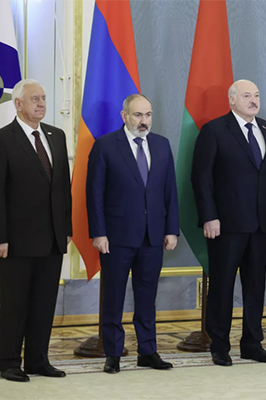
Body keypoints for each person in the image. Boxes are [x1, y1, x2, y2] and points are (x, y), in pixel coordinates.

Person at [191, 79, 266, 367]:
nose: (253, 100)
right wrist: (209, 216)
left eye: (256, 95)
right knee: (222, 287)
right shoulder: (214, 130)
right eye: (247, 96)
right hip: (226, 225)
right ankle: (219, 345)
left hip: (260, 223)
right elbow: (201, 178)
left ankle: (252, 344)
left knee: (255, 287)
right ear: (232, 100)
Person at [0, 79, 72, 382]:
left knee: (44, 304)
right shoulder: (1, 140)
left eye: (43, 98)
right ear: (18, 104)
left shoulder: (56, 136)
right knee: (15, 304)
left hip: (52, 238)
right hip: (16, 241)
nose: (41, 103)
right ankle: (8, 362)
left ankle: (37, 360)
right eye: (35, 99)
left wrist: (66, 228)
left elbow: (63, 188)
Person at [86, 94, 179, 373]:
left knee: (147, 297)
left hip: (153, 235)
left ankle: (147, 351)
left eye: (148, 115)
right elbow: (94, 194)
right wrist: (99, 233)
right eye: (138, 115)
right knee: (113, 296)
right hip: (116, 236)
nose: (144, 121)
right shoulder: (105, 146)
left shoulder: (161, 144)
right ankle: (113, 354)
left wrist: (171, 229)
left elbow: (170, 191)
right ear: (124, 116)